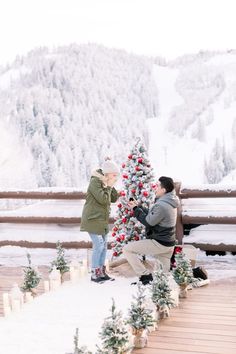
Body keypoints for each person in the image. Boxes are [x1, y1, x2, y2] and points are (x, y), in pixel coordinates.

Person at [123, 176, 180, 285]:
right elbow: (154, 216)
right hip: (168, 244)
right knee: (161, 279)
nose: (155, 188)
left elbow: (149, 222)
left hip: (159, 243)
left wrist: (135, 209)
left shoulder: (162, 205)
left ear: (163, 190)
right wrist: (139, 206)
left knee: (127, 249)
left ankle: (144, 275)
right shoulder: (170, 201)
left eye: (157, 186)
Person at [81, 159, 119, 283]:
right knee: (99, 245)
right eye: (114, 175)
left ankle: (101, 272)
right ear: (107, 174)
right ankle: (94, 273)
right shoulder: (95, 182)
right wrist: (108, 186)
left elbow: (113, 198)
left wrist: (111, 185)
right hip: (92, 219)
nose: (116, 177)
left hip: (102, 220)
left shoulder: (106, 182)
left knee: (103, 246)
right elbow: (103, 199)